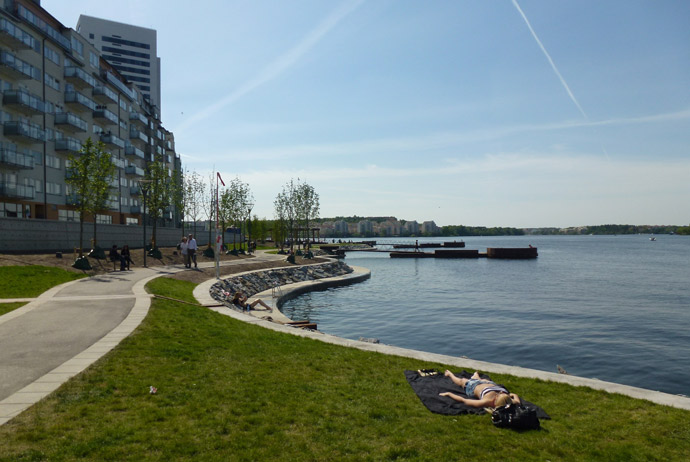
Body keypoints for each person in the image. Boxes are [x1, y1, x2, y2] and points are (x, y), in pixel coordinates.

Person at [439, 370, 521, 408]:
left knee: (461, 381)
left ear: (495, 401)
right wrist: (511, 395)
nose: (498, 393)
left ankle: (449, 374)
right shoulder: (512, 402)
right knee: (482, 380)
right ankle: (476, 376)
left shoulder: (487, 401)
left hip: (473, 386)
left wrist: (449, 394)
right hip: (489, 384)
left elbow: (464, 400)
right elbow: (515, 396)